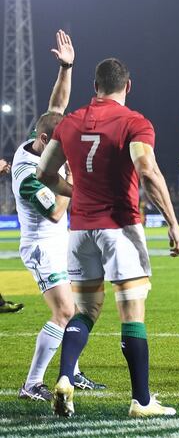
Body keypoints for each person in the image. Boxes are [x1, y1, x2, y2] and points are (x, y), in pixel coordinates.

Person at [37, 57, 179, 418]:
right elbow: (146, 171)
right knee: (132, 312)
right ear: (127, 86)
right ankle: (142, 401)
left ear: (94, 86)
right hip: (120, 227)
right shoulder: (134, 122)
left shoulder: (69, 123)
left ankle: (66, 378)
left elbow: (44, 173)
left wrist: (79, 191)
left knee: (85, 311)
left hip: (80, 231)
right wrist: (173, 223)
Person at [11, 30, 106, 402]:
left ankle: (72, 371)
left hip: (60, 243)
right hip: (41, 246)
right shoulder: (29, 178)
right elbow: (55, 212)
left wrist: (66, 67)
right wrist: (73, 177)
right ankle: (32, 383)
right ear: (50, 144)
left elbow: (55, 110)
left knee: (81, 307)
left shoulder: (39, 142)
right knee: (64, 311)